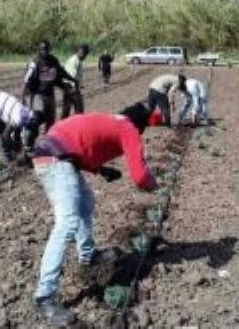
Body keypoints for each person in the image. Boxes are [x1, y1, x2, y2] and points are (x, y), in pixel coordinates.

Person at [31, 102, 158, 326]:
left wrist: (99, 169)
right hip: (56, 161)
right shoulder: (129, 128)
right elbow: (139, 176)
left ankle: (88, 255)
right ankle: (45, 295)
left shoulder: (113, 120)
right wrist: (152, 185)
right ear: (141, 125)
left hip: (56, 152)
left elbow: (77, 143)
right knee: (67, 222)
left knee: (86, 202)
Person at [22, 40, 78, 149]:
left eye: (46, 49)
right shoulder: (34, 62)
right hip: (37, 95)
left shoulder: (53, 60)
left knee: (51, 121)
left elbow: (61, 73)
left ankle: (48, 146)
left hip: (49, 95)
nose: (45, 51)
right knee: (37, 118)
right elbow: (26, 81)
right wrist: (24, 98)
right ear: (38, 50)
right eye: (42, 49)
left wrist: (73, 80)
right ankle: (29, 145)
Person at [61, 44, 90, 119]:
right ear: (80, 52)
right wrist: (76, 88)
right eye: (85, 54)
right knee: (78, 108)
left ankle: (63, 124)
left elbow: (77, 76)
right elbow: (72, 77)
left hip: (70, 86)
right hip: (70, 86)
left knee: (67, 107)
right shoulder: (74, 60)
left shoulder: (78, 60)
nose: (85, 56)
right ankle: (76, 124)